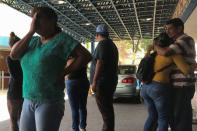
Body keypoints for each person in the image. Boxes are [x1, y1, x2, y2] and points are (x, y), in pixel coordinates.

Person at [10, 6, 92, 131]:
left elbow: (85, 56)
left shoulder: (62, 39)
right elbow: (13, 54)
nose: (35, 22)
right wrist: (31, 32)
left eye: (38, 18)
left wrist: (64, 73)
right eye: (33, 19)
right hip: (27, 98)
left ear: (52, 21)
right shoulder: (33, 41)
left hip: (49, 101)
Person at [141, 32, 197, 131]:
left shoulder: (153, 55)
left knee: (152, 116)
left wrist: (150, 49)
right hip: (158, 87)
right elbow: (186, 70)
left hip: (145, 88)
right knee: (163, 118)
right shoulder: (173, 54)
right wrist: (195, 64)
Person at [154, 18, 196, 131]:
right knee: (176, 116)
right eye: (167, 29)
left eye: (170, 29)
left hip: (183, 85)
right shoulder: (178, 42)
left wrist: (155, 46)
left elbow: (166, 52)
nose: (168, 32)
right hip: (179, 85)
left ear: (179, 28)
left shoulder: (185, 39)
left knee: (181, 118)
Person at [90, 24, 119, 131]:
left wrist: (94, 82)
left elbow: (100, 63)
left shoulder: (102, 45)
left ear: (97, 35)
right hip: (109, 82)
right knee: (108, 111)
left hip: (102, 83)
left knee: (106, 113)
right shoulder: (111, 44)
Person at [65, 57, 90, 131]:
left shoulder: (69, 58)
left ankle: (75, 128)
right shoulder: (83, 56)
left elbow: (65, 72)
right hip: (84, 81)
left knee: (74, 108)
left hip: (72, 82)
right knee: (82, 106)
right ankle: (82, 127)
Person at [7, 32, 23, 131]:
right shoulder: (24, 57)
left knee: (13, 120)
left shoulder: (10, 58)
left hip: (14, 93)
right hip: (23, 90)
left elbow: (15, 76)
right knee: (20, 118)